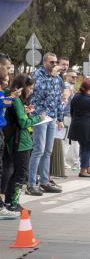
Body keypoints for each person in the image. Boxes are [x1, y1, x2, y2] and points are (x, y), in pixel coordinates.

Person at [4, 75, 45, 213]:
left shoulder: (17, 101)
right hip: (20, 141)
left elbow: (19, 117)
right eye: (30, 88)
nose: (31, 91)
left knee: (17, 172)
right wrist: (38, 118)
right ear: (23, 87)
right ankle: (13, 203)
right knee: (20, 173)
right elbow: (22, 122)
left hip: (21, 141)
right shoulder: (16, 100)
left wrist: (27, 113)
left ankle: (10, 202)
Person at [27, 53, 64, 196]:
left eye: (56, 62)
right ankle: (31, 183)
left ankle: (44, 181)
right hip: (40, 116)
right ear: (44, 62)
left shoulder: (57, 77)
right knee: (38, 150)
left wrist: (60, 117)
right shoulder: (38, 74)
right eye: (51, 62)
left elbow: (59, 97)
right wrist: (52, 76)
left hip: (52, 117)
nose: (54, 65)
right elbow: (41, 91)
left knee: (48, 151)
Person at [0, 66, 21, 219]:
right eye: (6, 80)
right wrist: (14, 97)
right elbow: (5, 102)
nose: (8, 83)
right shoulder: (2, 95)